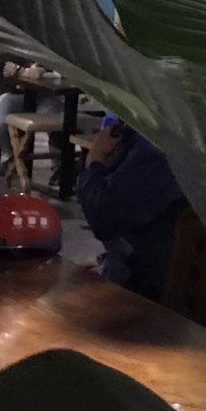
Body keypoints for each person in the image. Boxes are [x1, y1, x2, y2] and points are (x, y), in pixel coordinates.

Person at [78, 115, 186, 300]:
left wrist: (95, 159)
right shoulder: (189, 133)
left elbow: (104, 216)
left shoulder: (157, 147)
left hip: (145, 284)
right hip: (184, 275)